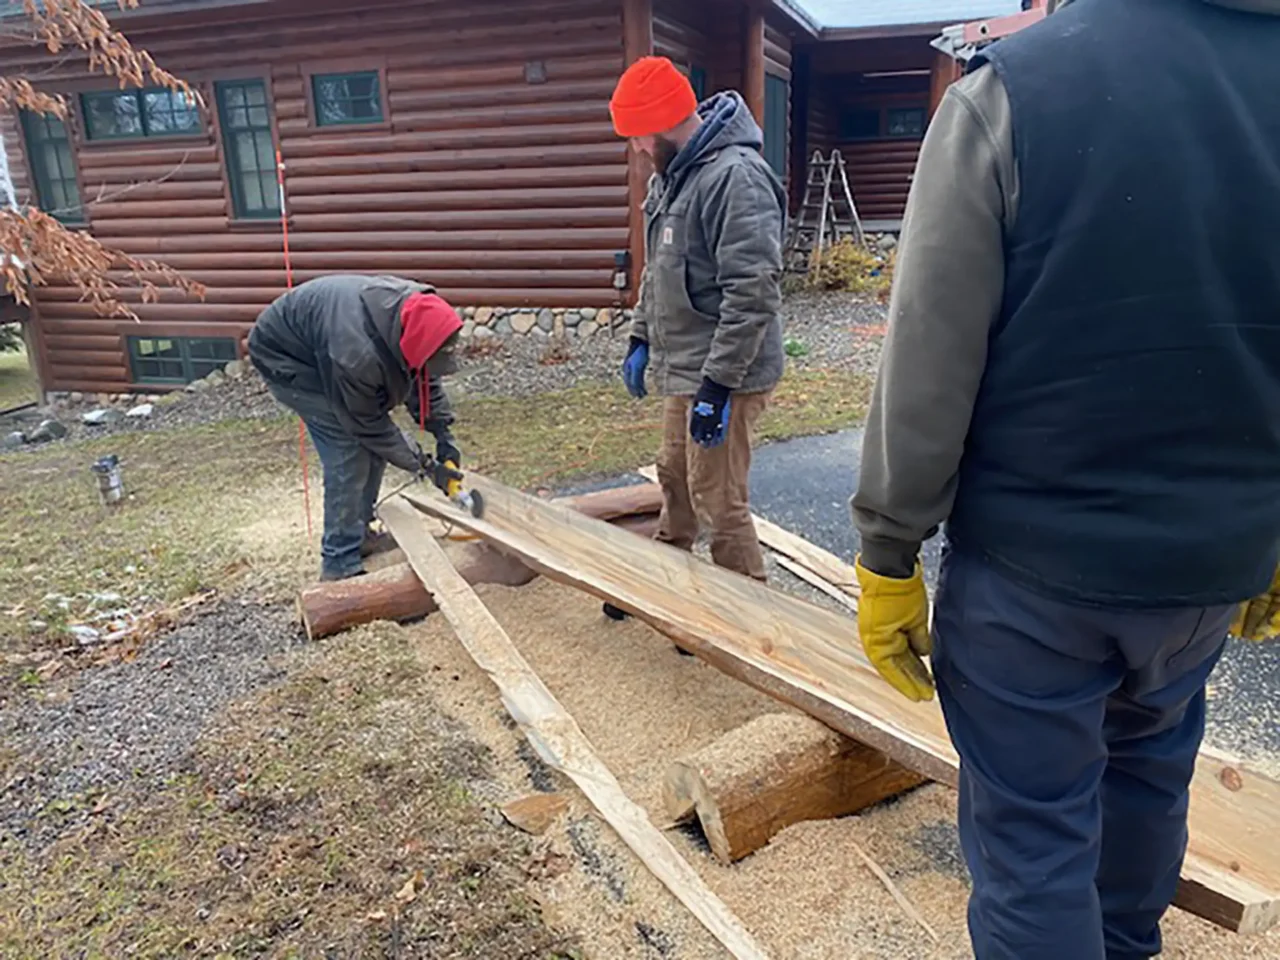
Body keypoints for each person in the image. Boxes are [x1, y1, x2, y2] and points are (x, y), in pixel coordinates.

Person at [849, 0, 1280, 957]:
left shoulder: (1016, 91)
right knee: (1145, 791)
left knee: (1035, 851)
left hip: (1034, 579)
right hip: (1208, 572)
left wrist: (888, 548)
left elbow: (928, 352)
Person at [603, 56, 785, 623]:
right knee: (674, 475)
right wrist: (639, 336)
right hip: (686, 364)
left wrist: (718, 387)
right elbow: (658, 270)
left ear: (657, 126)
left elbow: (753, 293)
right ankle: (669, 581)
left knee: (717, 497)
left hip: (728, 371)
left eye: (635, 138)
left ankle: (750, 615)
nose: (635, 151)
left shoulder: (735, 178)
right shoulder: (672, 177)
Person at [248, 274, 465, 582]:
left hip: (328, 342)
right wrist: (427, 466)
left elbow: (423, 374)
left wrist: (444, 433)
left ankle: (359, 532)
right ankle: (339, 561)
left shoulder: (419, 315)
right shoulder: (357, 354)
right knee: (348, 451)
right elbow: (368, 424)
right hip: (288, 357)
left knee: (370, 448)